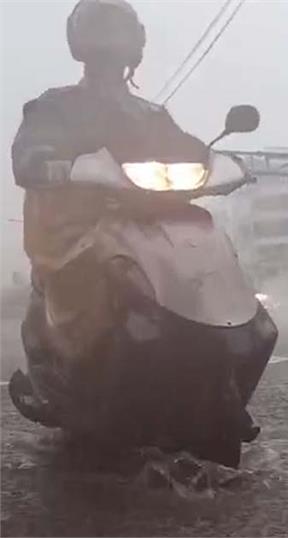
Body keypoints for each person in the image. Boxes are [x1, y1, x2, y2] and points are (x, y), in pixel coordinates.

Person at [9, 0, 208, 426]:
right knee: (81, 274)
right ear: (80, 41)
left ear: (135, 42)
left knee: (204, 242)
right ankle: (58, 375)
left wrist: (215, 158)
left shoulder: (152, 114)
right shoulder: (56, 105)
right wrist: (51, 163)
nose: (111, 42)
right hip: (77, 226)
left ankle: (222, 371)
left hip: (153, 223)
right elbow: (29, 152)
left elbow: (187, 147)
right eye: (103, 29)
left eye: (119, 30)